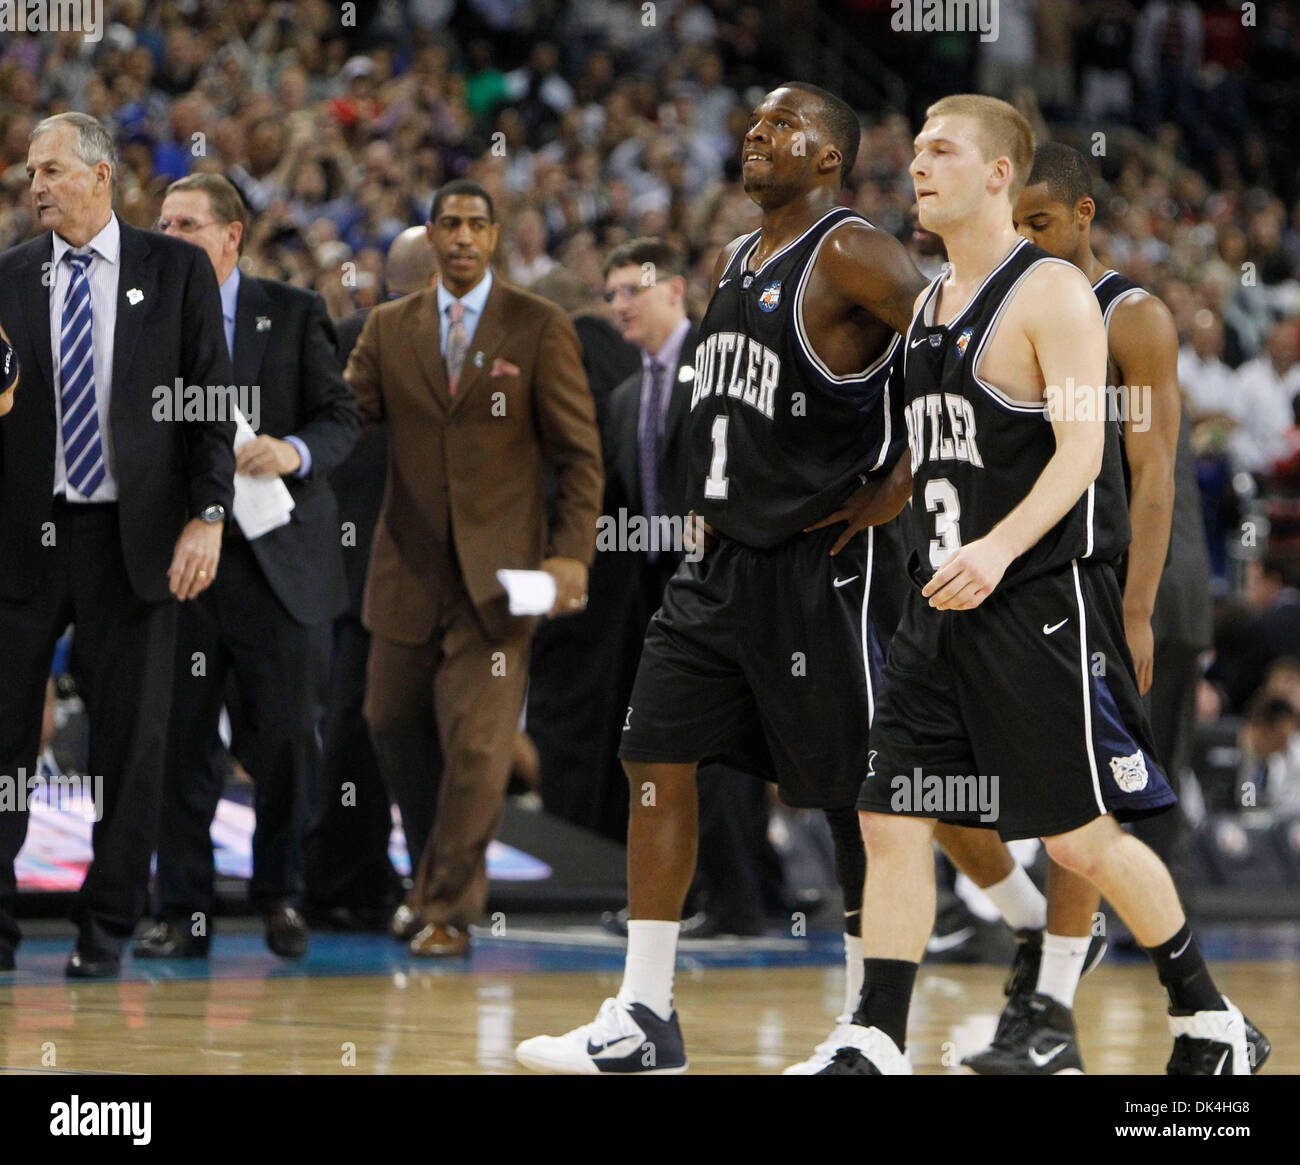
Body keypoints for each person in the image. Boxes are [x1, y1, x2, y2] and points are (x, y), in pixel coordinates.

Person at [827, 94, 1268, 1076]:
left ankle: (1209, 1017)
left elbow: (1080, 455)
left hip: (1032, 604)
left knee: (1080, 841)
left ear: (997, 175)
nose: (916, 165)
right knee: (891, 813)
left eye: (941, 150)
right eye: (917, 150)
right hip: (935, 604)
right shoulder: (932, 302)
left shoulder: (1054, 297)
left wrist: (997, 549)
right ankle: (874, 1036)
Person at [515, 81, 923, 1075]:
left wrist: (902, 482)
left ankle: (873, 1028)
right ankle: (643, 1015)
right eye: (754, 119)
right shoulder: (738, 258)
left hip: (820, 560)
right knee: (652, 754)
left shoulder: (855, 251)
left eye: (784, 124)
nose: (756, 132)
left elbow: (955, 346)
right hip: (719, 565)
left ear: (828, 157)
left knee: (851, 794)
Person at [930, 140, 1202, 1073]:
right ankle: (1040, 973)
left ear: (1083, 217)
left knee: (1076, 813)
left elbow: (1151, 473)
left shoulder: (1132, 317)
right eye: (1017, 224)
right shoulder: (999, 304)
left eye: (1040, 223)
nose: (1025, 238)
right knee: (964, 799)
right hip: (1022, 580)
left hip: (1124, 576)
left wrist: (1136, 612)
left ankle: (1055, 1008)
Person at [0, 112, 236, 978]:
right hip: (23, 537)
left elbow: (211, 399)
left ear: (101, 176)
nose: (36, 187)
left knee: (129, 747)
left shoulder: (174, 271)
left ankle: (105, 932)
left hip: (133, 539)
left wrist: (208, 515)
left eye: (53, 170)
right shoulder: (9, 277)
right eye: (30, 173)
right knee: (3, 743)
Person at [345, 178, 603, 958]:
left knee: (482, 749)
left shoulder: (538, 325)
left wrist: (570, 555)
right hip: (407, 573)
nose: (462, 236)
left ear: (494, 237)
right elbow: (343, 414)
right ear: (430, 235)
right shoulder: (389, 328)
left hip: (501, 584)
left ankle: (447, 908)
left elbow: (579, 455)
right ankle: (430, 883)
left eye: (476, 225)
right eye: (449, 224)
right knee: (392, 724)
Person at [134, 173, 359, 960]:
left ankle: (282, 896)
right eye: (162, 222)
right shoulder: (141, 318)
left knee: (290, 740)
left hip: (280, 565)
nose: (171, 234)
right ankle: (180, 908)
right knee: (178, 742)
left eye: (188, 223)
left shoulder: (293, 313)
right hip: (182, 565)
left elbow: (341, 417)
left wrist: (292, 451)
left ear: (232, 236)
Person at [303, 226, 439, 932]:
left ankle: (349, 878)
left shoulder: (343, 335)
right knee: (405, 732)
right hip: (422, 571)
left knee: (354, 726)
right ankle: (421, 886)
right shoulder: (449, 344)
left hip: (353, 568)